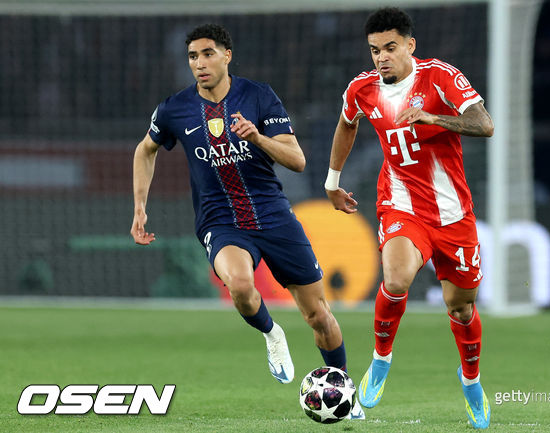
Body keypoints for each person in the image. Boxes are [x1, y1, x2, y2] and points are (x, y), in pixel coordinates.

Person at [130, 23, 365, 419]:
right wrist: (140, 206)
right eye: (193, 56)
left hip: (273, 214)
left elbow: (297, 159)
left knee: (319, 317)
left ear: (227, 55)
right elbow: (145, 149)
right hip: (220, 220)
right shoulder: (174, 108)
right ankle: (272, 334)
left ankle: (344, 392)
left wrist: (257, 138)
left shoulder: (258, 96)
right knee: (240, 285)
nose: (199, 63)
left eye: (208, 54)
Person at [325, 8, 494, 429]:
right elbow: (347, 124)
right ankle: (381, 359)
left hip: (453, 214)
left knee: (461, 308)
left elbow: (484, 124)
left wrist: (434, 117)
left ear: (409, 45)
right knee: (397, 278)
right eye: (374, 50)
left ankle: (471, 380)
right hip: (400, 203)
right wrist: (332, 181)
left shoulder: (440, 76)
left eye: (390, 48)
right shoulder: (362, 88)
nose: (381, 57)